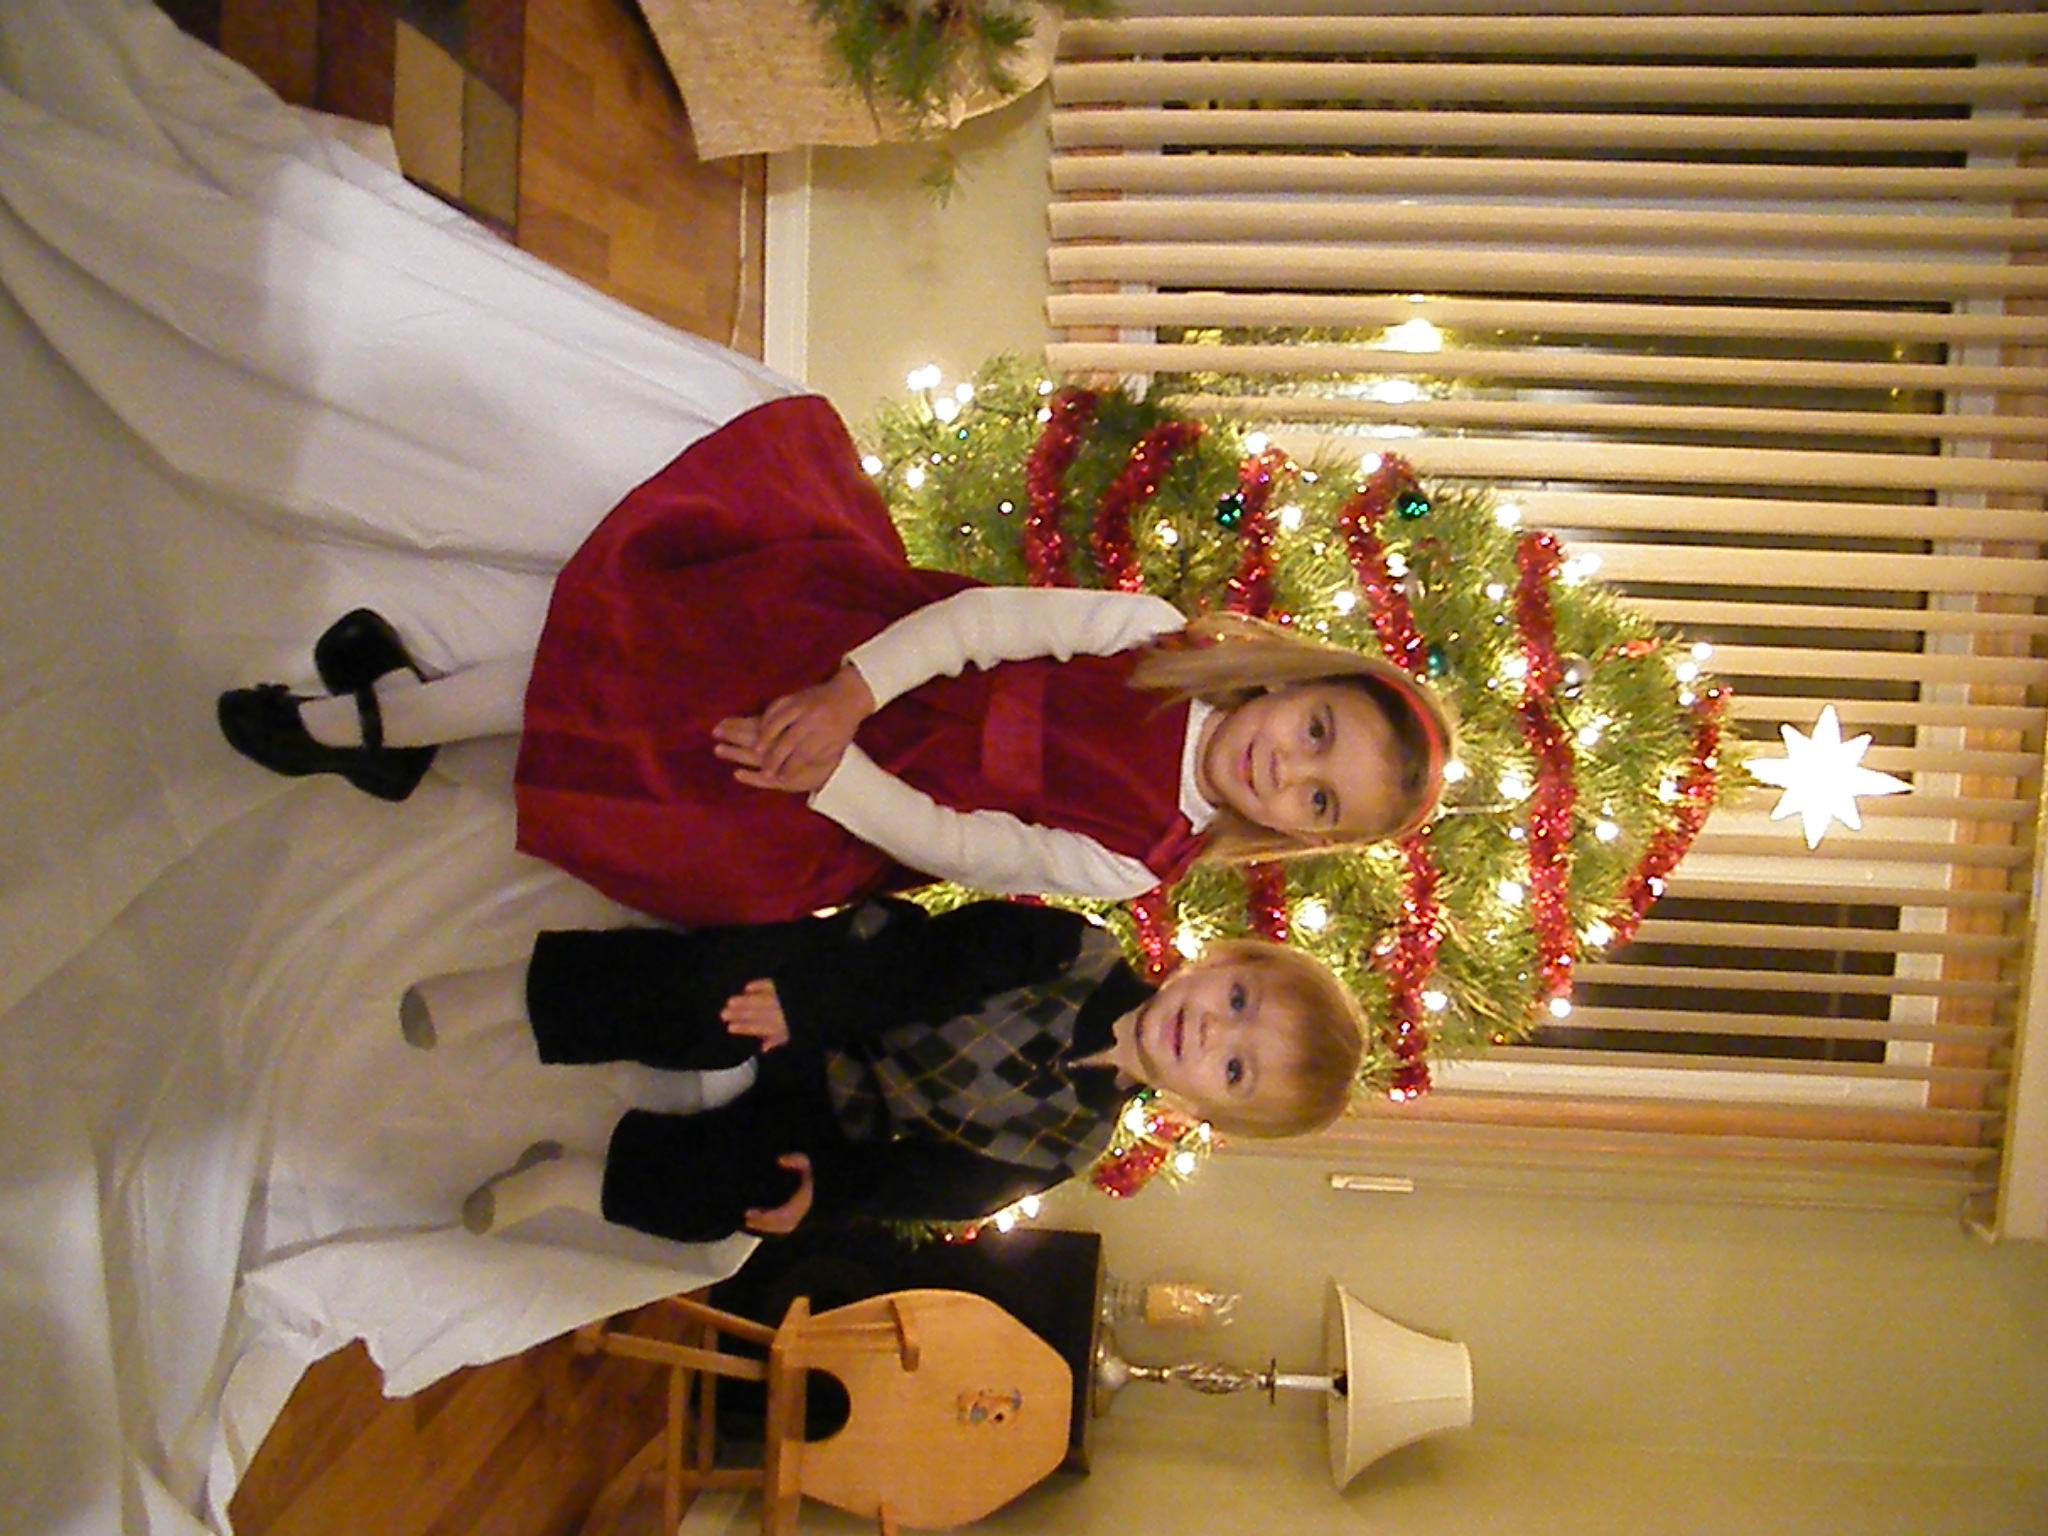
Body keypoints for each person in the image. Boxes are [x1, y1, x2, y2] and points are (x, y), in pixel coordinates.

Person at [218, 393, 1454, 926]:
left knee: (651, 766)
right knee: (627, 671)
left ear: (1294, 835)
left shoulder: (1140, 860)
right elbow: (984, 624)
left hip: (842, 798)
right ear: (1292, 681)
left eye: (1315, 799)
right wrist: (848, 692)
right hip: (851, 650)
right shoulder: (1149, 637)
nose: (1284, 768)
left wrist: (830, 773)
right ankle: (373, 726)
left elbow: (971, 850)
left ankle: (395, 725)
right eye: (1314, 734)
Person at [407, 895, 1366, 1241]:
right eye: (1238, 1002)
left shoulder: (1070, 1143)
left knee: (744, 1198)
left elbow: (935, 1186)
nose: (1212, 1033)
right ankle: (513, 995)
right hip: (844, 986)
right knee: (707, 989)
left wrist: (826, 1196)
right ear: (1218, 960)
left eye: (1234, 1069)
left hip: (842, 1111)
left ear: (1203, 1113)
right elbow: (927, 963)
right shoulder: (1074, 952)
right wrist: (808, 1002)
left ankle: (573, 1178)